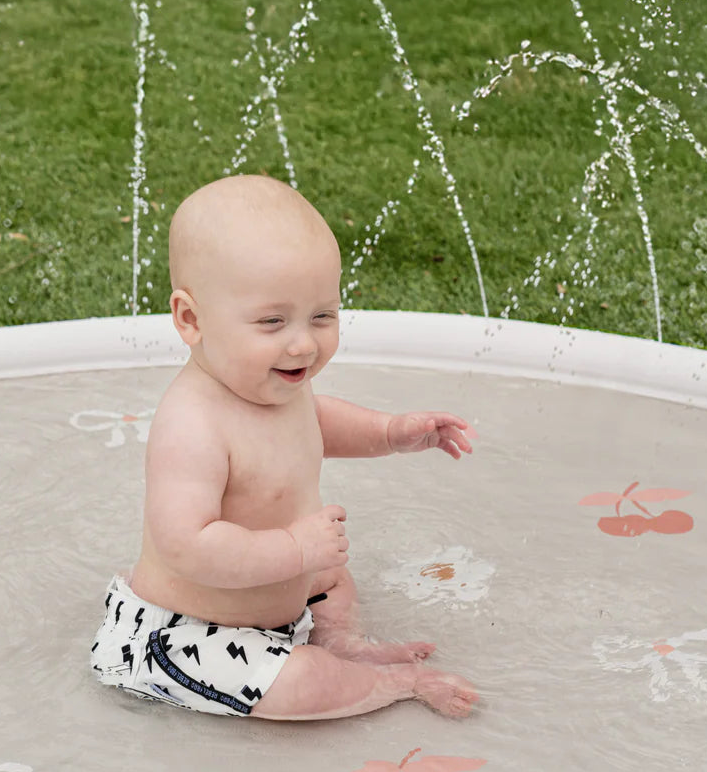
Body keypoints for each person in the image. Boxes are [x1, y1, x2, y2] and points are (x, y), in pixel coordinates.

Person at [91, 174, 478, 721]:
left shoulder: (275, 382)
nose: (303, 342)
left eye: (323, 316)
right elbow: (185, 544)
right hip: (188, 636)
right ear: (192, 319)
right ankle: (394, 683)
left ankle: (339, 641)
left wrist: (390, 433)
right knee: (300, 684)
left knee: (333, 577)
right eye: (272, 321)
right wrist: (295, 549)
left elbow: (316, 423)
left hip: (278, 599)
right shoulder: (193, 423)